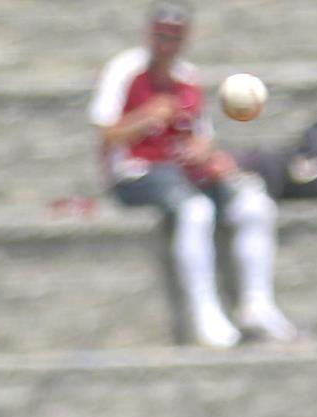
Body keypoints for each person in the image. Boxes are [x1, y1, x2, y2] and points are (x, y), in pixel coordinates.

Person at [90, 2, 300, 348]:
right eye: (160, 34)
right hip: (137, 172)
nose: (166, 43)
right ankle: (206, 317)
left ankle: (257, 305)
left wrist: (207, 155)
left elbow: (201, 136)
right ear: (149, 33)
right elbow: (105, 133)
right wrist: (144, 118)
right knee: (196, 211)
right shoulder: (126, 70)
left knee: (255, 204)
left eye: (174, 36)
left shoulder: (187, 78)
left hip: (182, 171)